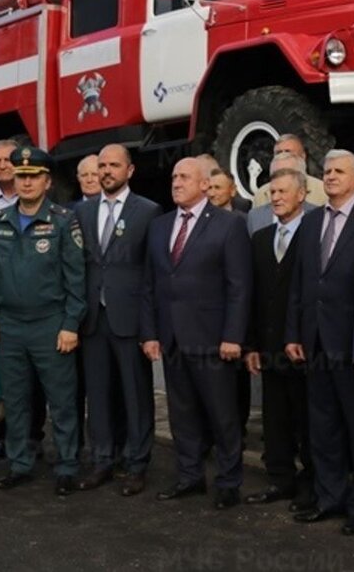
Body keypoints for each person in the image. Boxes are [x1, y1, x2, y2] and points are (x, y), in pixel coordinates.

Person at [141, 157, 252, 510]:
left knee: (222, 416)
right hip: (172, 337)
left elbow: (239, 286)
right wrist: (150, 333)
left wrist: (234, 335)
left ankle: (229, 481)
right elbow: (150, 284)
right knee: (182, 414)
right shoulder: (159, 226)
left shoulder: (229, 225)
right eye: (174, 176)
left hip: (213, 339)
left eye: (185, 177)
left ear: (205, 184)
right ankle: (189, 477)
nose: (176, 182)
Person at [285, 150, 354, 535]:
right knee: (322, 427)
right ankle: (330, 498)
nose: (330, 176)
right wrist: (294, 332)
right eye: (326, 171)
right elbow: (300, 281)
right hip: (314, 342)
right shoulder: (310, 222)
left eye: (339, 171)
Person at [0, 146, 86, 495]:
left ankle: (68, 466)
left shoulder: (62, 220)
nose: (26, 183)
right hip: (10, 326)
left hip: (50, 324)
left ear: (46, 181)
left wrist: (71, 324)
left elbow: (77, 279)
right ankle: (20, 463)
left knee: (62, 400)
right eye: (21, 176)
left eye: (33, 177)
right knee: (15, 401)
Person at [74, 144, 162, 496]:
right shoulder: (82, 211)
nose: (106, 171)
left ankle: (137, 464)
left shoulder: (149, 211)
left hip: (130, 319)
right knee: (97, 395)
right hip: (94, 319)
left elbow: (152, 274)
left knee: (136, 394)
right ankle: (102, 460)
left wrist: (149, 326)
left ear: (130, 171)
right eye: (102, 165)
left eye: (114, 165)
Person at [244, 168, 314, 510]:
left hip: (303, 349)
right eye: (272, 192)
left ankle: (311, 484)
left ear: (302, 195)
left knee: (308, 420)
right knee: (275, 420)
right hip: (269, 349)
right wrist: (251, 345)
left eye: (284, 191)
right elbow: (253, 296)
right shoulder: (259, 238)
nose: (276, 197)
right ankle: (280, 480)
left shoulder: (315, 236)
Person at [0, 138, 46, 460]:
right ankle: (5, 439)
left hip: (41, 311)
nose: (4, 165)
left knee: (37, 385)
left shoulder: (45, 202)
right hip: (4, 310)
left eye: (9, 160)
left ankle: (34, 438)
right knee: (8, 382)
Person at [248, 152, 320, 235]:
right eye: (276, 175)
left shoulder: (319, 218)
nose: (275, 198)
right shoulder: (255, 217)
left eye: (287, 173)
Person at [250, 134, 327, 209]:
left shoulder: (323, 191)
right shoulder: (261, 195)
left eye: (288, 152)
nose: (283, 156)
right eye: (278, 153)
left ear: (303, 156)